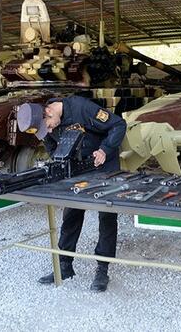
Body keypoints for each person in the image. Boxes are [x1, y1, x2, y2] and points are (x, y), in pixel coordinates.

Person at [17, 95, 127, 292]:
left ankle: (102, 269)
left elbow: (118, 125)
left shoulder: (81, 107)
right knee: (71, 215)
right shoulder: (45, 124)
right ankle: (65, 266)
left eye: (48, 126)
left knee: (107, 217)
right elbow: (53, 149)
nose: (49, 131)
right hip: (77, 169)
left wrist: (104, 150)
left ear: (49, 111)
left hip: (103, 165)